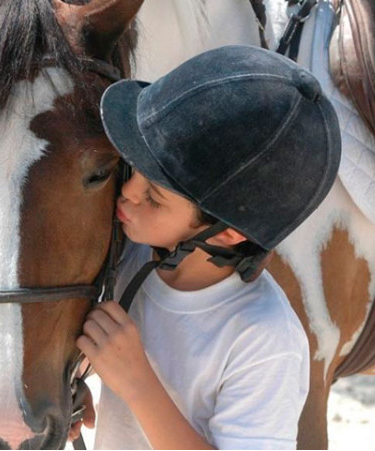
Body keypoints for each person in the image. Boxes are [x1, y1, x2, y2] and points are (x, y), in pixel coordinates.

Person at [68, 45, 341, 449]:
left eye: (155, 197)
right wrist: (79, 384)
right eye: (135, 173)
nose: (127, 193)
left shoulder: (265, 340)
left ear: (226, 234)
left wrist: (137, 383)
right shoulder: (131, 257)